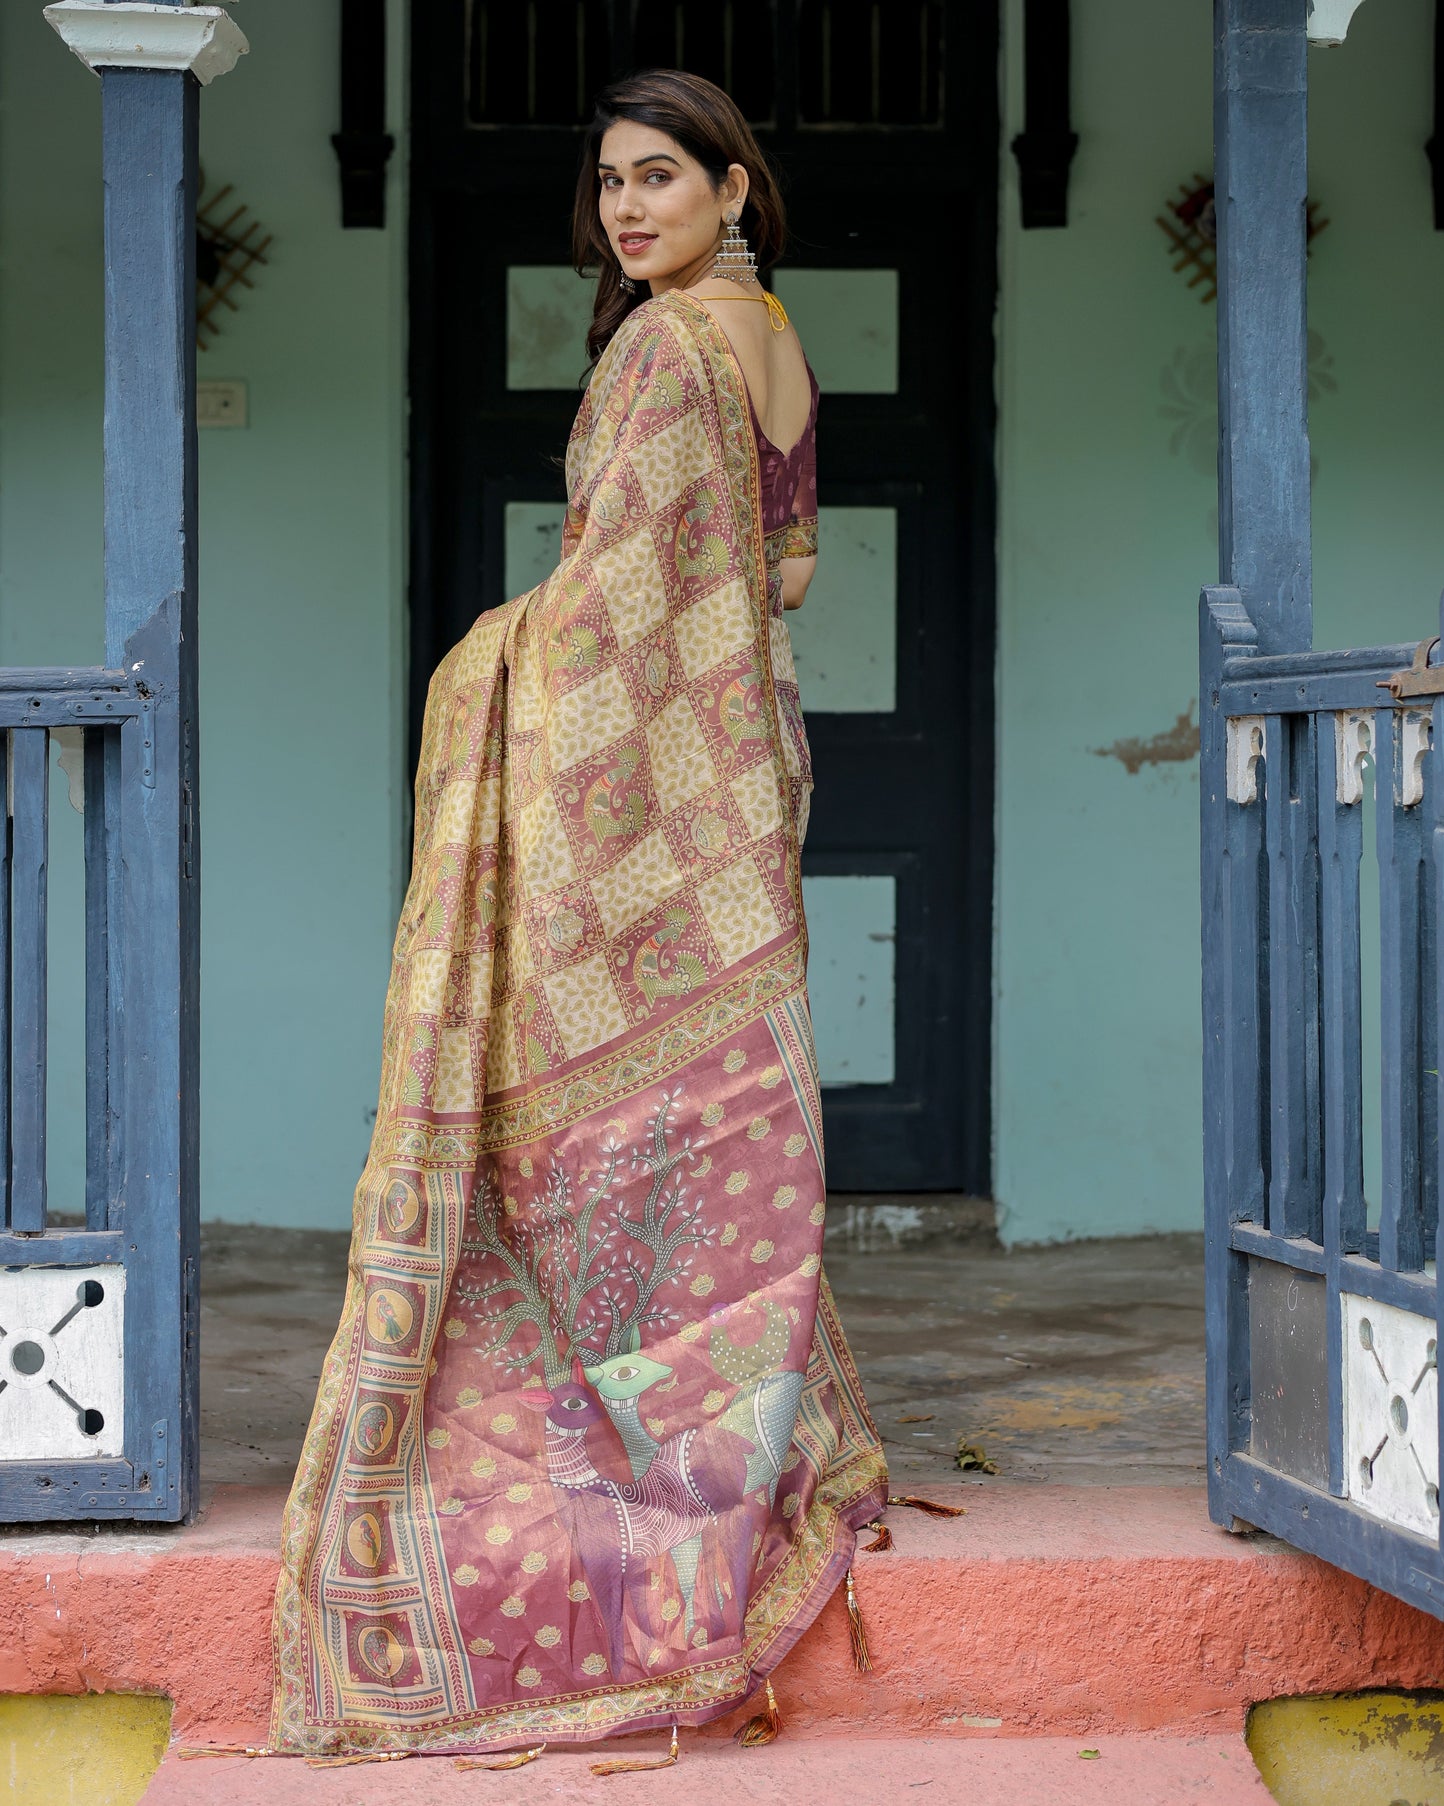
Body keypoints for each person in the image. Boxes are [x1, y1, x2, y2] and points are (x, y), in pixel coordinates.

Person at [269, 68, 888, 1766]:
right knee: (715, 1106)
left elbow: (616, 598)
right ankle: (742, 1434)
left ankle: (637, 1459)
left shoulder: (664, 348)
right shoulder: (770, 341)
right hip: (738, 768)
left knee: (587, 1118)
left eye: (661, 177)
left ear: (733, 189)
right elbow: (787, 574)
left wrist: (486, 653)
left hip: (630, 797)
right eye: (610, 182)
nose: (627, 208)